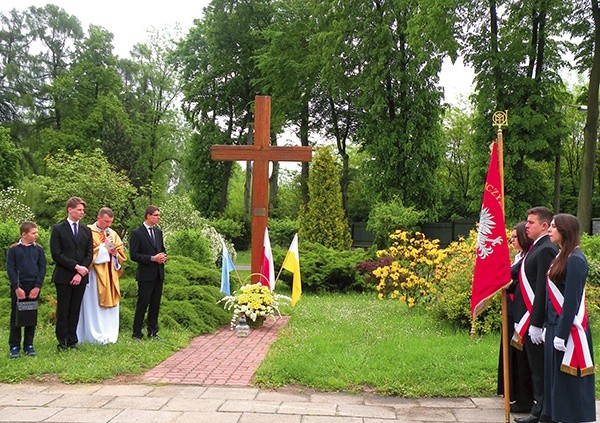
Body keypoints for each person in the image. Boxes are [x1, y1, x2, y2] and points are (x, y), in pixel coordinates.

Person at [542, 214, 595, 423]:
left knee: (569, 381)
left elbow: (571, 302)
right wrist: (548, 325)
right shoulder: (561, 256)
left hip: (570, 330)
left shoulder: (576, 260)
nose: (549, 230)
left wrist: (561, 334)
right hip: (555, 325)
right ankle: (556, 417)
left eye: (553, 227)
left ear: (565, 231)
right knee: (555, 381)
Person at [512, 207, 558, 423]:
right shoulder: (534, 249)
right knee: (535, 368)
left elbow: (542, 289)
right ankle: (539, 410)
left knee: (540, 369)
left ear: (544, 226)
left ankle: (543, 412)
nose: (526, 225)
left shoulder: (546, 249)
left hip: (534, 319)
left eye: (531, 222)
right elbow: (517, 274)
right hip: (527, 317)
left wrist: (537, 322)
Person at [497, 222, 534, 412]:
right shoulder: (517, 257)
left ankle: (524, 397)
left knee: (520, 356)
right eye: (510, 237)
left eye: (515, 237)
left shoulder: (528, 257)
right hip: (513, 309)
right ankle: (511, 391)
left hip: (524, 313)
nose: (512, 241)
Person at [76, 207, 126, 344]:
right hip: (94, 275)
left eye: (110, 222)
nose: (108, 225)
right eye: (105, 221)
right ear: (98, 218)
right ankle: (93, 336)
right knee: (93, 305)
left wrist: (115, 254)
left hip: (110, 274)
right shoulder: (87, 231)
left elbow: (121, 254)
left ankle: (109, 334)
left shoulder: (112, 233)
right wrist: (104, 249)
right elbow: (85, 253)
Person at [50, 197, 93, 351]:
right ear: (70, 209)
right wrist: (76, 267)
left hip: (81, 276)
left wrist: (81, 272)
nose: (82, 212)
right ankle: (62, 342)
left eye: (83, 210)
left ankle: (72, 340)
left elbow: (89, 253)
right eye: (79, 210)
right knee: (63, 309)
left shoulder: (86, 230)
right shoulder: (58, 229)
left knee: (75, 309)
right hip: (64, 276)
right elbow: (56, 253)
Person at [6, 221, 46, 358]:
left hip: (33, 287)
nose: (37, 235)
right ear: (24, 234)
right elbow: (10, 269)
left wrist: (37, 286)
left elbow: (42, 268)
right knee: (16, 317)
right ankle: (14, 346)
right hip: (19, 288)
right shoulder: (14, 250)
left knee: (30, 316)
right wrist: (17, 287)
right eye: (33, 233)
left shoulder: (39, 250)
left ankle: (29, 345)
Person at [130, 205, 167, 340]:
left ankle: (153, 332)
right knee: (143, 303)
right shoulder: (137, 233)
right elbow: (134, 255)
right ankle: (137, 333)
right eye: (156, 215)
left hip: (158, 273)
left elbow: (162, 249)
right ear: (148, 216)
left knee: (155, 304)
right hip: (145, 275)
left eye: (158, 215)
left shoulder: (158, 232)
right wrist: (152, 258)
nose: (158, 217)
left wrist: (163, 257)